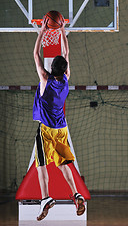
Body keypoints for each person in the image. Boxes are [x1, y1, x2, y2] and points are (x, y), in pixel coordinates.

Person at [33, 17, 85, 221]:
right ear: (64, 70)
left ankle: (46, 198)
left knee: (42, 165)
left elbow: (36, 55)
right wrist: (62, 30)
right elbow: (66, 53)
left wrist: (42, 31)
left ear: (52, 67)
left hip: (46, 130)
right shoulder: (66, 79)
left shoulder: (44, 79)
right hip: (62, 129)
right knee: (64, 164)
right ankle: (76, 194)